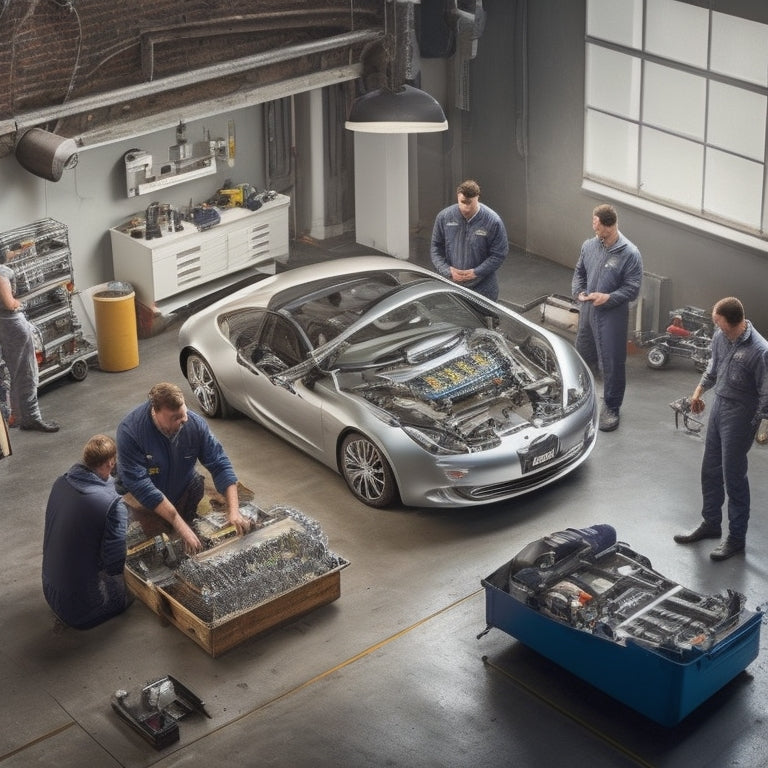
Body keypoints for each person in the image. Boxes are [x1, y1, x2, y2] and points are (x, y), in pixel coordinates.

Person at [673, 297, 768, 561]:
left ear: (732, 321)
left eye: (718, 320)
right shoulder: (720, 337)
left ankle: (736, 538)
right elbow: (713, 369)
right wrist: (698, 391)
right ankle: (711, 523)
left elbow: (766, 392)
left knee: (734, 477)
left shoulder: (760, 350)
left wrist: (762, 424)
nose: (715, 324)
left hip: (740, 415)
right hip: (719, 408)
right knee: (710, 469)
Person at [116, 381, 251, 554]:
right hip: (142, 502)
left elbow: (220, 463)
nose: (184, 420)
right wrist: (179, 525)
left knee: (188, 530)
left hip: (180, 487)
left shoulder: (194, 425)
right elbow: (142, 486)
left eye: (184, 414)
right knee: (153, 548)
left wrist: (234, 511)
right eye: (175, 418)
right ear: (156, 411)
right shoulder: (130, 432)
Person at [42, 435, 132, 628]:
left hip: (50, 591)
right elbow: (115, 564)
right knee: (130, 592)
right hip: (82, 611)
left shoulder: (61, 483)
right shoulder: (113, 506)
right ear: (110, 462)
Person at [572, 204, 643, 432]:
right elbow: (579, 272)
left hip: (612, 316)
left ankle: (612, 407)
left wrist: (609, 297)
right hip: (588, 312)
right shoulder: (590, 246)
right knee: (582, 356)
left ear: (608, 226)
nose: (593, 229)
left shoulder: (629, 253)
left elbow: (632, 289)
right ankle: (581, 401)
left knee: (612, 363)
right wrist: (578, 292)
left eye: (596, 225)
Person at [0, 242, 59, 432]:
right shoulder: (3, 273)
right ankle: (30, 417)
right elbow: (9, 303)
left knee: (10, 373)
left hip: (3, 327)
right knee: (26, 371)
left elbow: (6, 255)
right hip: (12, 325)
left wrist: (19, 251)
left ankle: (14, 417)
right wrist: (19, 303)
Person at [430, 179, 509, 301]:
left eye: (470, 203)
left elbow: (499, 254)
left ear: (477, 197)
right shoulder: (444, 217)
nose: (466, 208)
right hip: (451, 285)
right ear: (457, 197)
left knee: (483, 319)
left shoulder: (493, 222)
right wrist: (447, 270)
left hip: (483, 289)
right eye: (463, 202)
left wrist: (476, 272)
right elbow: (435, 247)